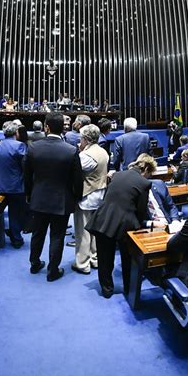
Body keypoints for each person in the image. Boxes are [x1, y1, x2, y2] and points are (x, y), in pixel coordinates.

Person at [24, 112, 83, 282]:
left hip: (38, 198)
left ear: (46, 127)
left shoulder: (33, 147)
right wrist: (76, 198)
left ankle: (34, 263)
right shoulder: (71, 150)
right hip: (62, 201)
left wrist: (28, 194)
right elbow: (77, 179)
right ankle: (52, 270)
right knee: (57, 236)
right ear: (63, 128)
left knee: (38, 233)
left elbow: (27, 175)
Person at [86, 154, 151, 298]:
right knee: (128, 259)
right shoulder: (144, 183)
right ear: (146, 168)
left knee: (104, 258)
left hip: (103, 219)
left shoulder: (117, 175)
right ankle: (129, 289)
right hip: (126, 224)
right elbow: (141, 211)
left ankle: (106, 289)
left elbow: (108, 196)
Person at [72, 124, 109, 275]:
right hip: (100, 194)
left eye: (81, 138)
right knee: (95, 231)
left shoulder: (85, 156)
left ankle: (82, 264)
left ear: (86, 139)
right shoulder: (103, 151)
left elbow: (75, 173)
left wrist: (79, 153)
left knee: (83, 232)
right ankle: (95, 259)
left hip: (87, 196)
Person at [0, 122, 27, 248]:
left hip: (1, 185)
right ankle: (16, 238)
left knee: (6, 212)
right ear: (16, 133)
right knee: (15, 213)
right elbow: (25, 167)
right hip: (16, 186)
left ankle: (10, 232)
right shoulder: (20, 146)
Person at [133, 154, 180, 228]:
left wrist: (175, 221)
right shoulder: (132, 191)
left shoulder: (159, 184)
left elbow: (171, 206)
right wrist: (152, 223)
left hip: (169, 225)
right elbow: (132, 219)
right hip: (150, 230)